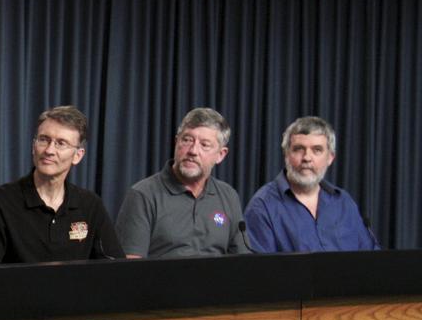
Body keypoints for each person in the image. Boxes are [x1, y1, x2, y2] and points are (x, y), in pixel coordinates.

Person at [0, 106, 122, 263]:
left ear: (77, 155)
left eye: (61, 143)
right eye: (44, 139)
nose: (49, 150)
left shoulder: (90, 205)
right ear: (33, 146)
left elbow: (115, 269)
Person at [115, 107, 249, 258]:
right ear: (176, 142)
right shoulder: (143, 195)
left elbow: (242, 263)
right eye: (187, 140)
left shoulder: (228, 196)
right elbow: (129, 268)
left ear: (220, 155)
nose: (193, 150)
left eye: (204, 145)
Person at [243, 116, 378, 253]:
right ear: (286, 155)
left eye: (317, 150)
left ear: (330, 158)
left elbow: (371, 259)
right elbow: (260, 271)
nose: (307, 158)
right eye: (299, 149)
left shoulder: (343, 202)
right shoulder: (263, 206)